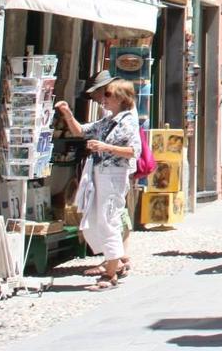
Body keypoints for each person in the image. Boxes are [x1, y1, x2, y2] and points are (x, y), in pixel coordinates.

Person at [54, 75, 140, 289]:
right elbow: (80, 131)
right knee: (96, 218)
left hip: (113, 174)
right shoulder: (107, 120)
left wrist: (105, 148)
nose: (104, 99)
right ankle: (115, 262)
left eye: (109, 95)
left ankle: (110, 274)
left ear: (122, 98)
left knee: (108, 218)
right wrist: (66, 112)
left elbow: (133, 151)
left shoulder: (128, 120)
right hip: (98, 173)